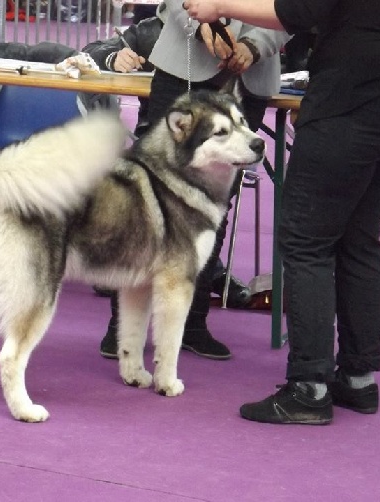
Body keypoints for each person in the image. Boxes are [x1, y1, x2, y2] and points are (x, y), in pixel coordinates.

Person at [183, 0, 380, 424]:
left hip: (355, 97)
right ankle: (358, 378)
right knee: (359, 237)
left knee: (306, 241)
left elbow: (297, 11)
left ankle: (309, 387)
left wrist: (218, 5)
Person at [89, 1, 288, 361]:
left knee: (214, 207)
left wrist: (256, 45)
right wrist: (203, 26)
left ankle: (193, 321)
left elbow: (293, 8)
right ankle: (122, 325)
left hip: (252, 73)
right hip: (181, 64)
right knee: (143, 196)